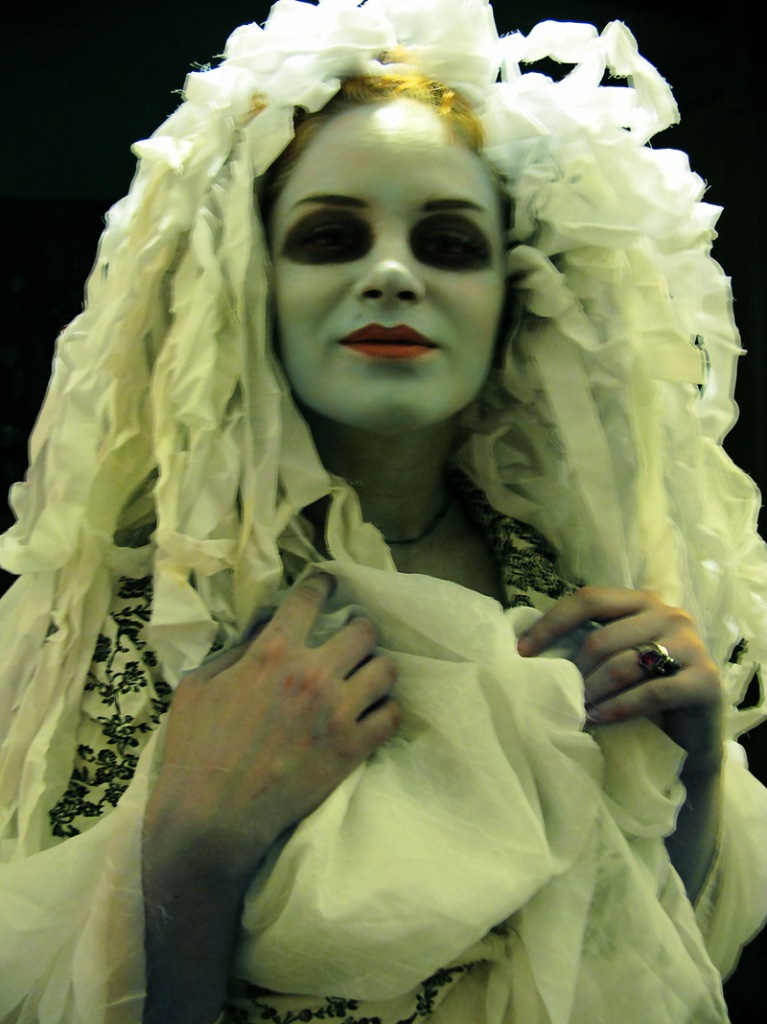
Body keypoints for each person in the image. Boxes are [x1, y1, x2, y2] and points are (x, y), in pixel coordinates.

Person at [0, 1, 765, 1022]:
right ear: (251, 284)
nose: (393, 274)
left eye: (448, 243)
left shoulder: (574, 592)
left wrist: (698, 766)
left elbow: (656, 964)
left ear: (514, 298)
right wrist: (192, 846)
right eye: (329, 237)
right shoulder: (155, 614)